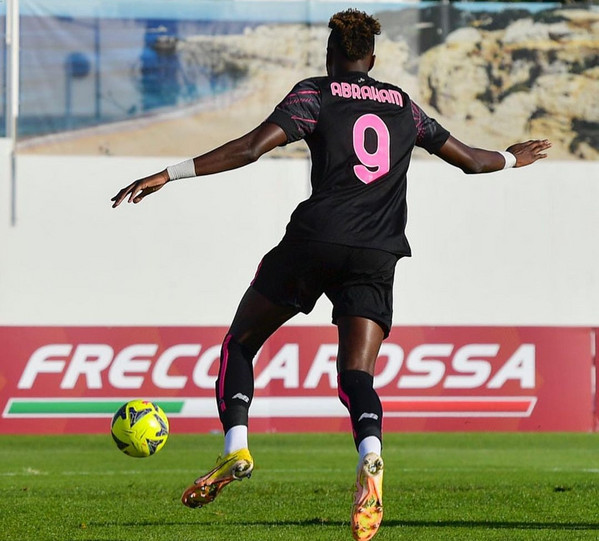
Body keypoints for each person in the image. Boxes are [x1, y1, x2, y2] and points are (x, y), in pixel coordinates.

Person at [111, 9, 550, 541]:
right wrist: (511, 158)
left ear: (330, 55)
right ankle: (370, 455)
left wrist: (169, 173)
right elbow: (472, 161)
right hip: (377, 251)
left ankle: (236, 448)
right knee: (356, 375)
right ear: (373, 59)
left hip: (315, 241)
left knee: (240, 344)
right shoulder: (404, 107)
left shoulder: (315, 94)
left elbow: (251, 148)